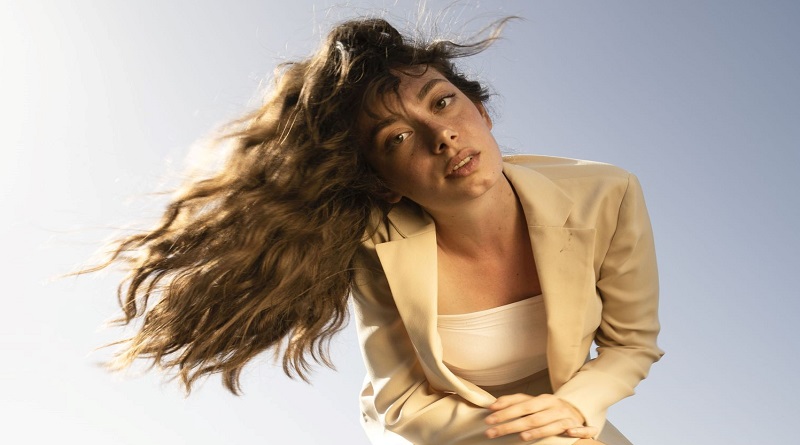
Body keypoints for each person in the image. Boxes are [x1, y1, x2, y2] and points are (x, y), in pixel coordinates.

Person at [93, 16, 662, 445]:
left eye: (444, 102)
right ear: (383, 183)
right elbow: (404, 405)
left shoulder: (606, 194)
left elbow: (630, 344)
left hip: (565, 413)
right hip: (446, 432)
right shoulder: (376, 245)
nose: (442, 136)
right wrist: (528, 430)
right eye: (398, 137)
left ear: (482, 111)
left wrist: (571, 409)